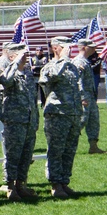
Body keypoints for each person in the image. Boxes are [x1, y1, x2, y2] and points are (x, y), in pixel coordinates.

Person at [39, 36, 84, 199]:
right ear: (55, 48)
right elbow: (51, 78)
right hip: (57, 114)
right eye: (64, 47)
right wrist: (64, 59)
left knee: (69, 150)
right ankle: (55, 184)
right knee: (56, 150)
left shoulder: (71, 67)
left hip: (72, 114)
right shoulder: (50, 66)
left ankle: (64, 182)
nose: (69, 50)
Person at [0, 43, 39, 200]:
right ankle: (10, 187)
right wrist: (14, 63)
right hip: (14, 121)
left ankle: (21, 184)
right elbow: (5, 81)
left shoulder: (27, 72)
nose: (25, 57)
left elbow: (33, 98)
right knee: (13, 155)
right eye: (21, 55)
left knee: (26, 155)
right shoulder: (8, 72)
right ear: (12, 56)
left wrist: (36, 119)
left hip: (29, 121)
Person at [72, 39, 104, 153]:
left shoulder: (86, 61)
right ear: (84, 47)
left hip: (90, 96)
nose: (94, 48)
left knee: (93, 121)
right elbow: (77, 81)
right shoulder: (78, 62)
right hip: (84, 97)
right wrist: (82, 97)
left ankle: (93, 146)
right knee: (81, 120)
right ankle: (68, 145)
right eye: (91, 46)